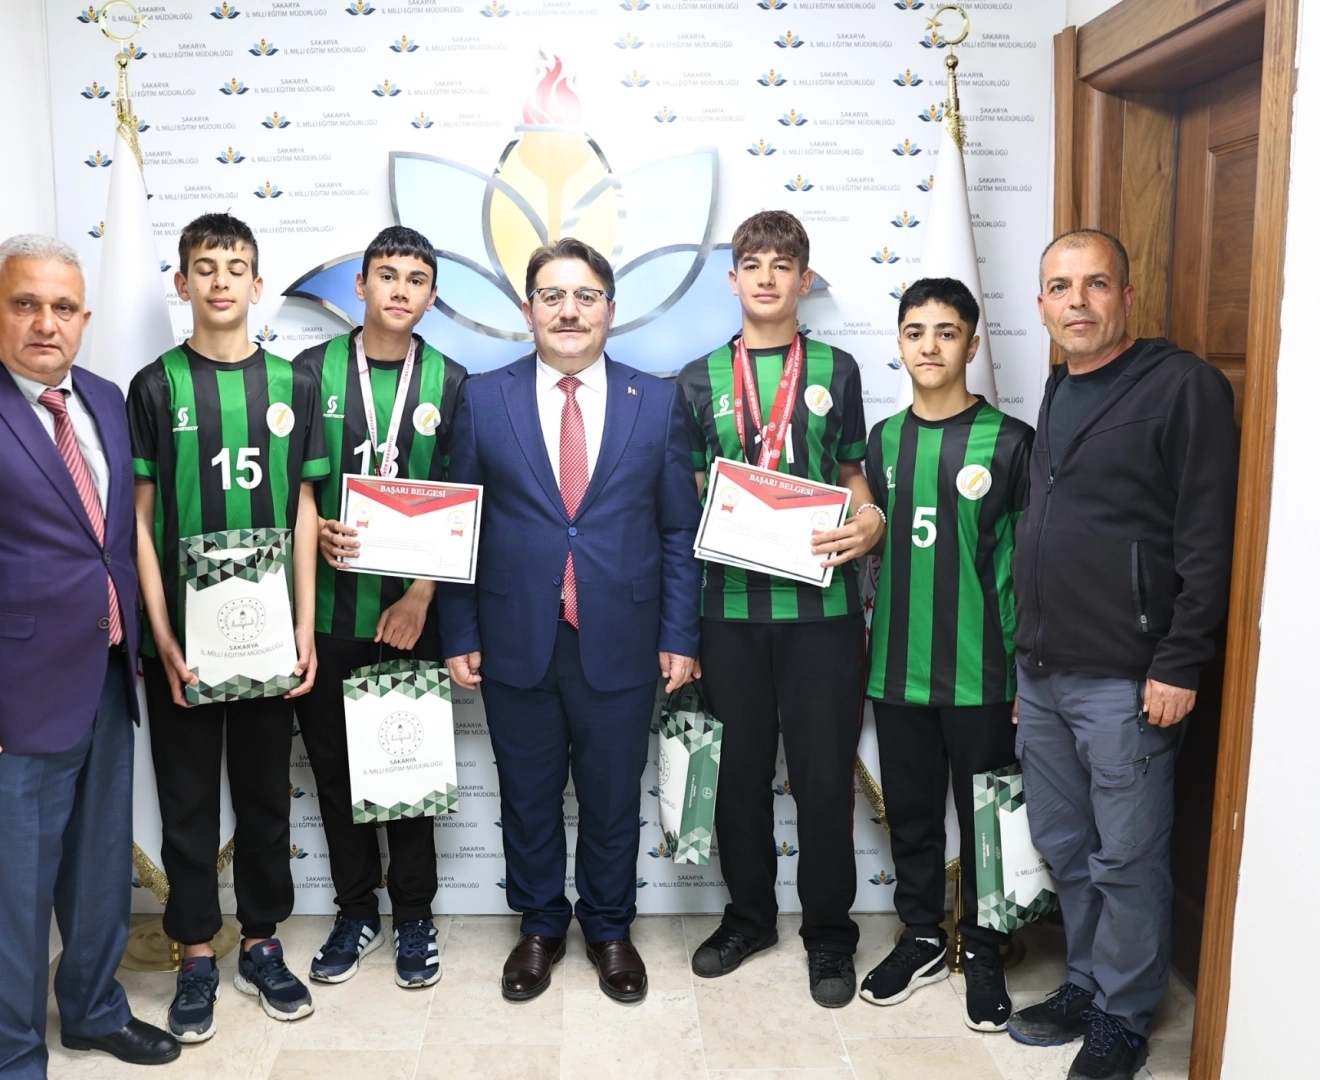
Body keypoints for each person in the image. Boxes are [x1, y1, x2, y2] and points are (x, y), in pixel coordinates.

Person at [0, 234, 179, 1078]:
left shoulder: (105, 399)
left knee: (97, 875)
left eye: (63, 308)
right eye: (25, 304)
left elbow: (107, 541)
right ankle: (9, 1062)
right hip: (4, 707)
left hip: (105, 681)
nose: (46, 323)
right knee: (5, 900)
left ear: (84, 318)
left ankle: (91, 1011)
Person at [437, 237, 700, 1005]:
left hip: (622, 638)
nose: (569, 310)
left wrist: (679, 634)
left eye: (585, 295)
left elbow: (677, 531)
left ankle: (610, 929)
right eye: (552, 295)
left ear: (610, 310)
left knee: (613, 798)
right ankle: (541, 926)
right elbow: (460, 526)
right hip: (515, 639)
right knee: (527, 797)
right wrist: (460, 632)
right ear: (529, 312)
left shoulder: (656, 401)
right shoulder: (484, 398)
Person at [1007, 230, 1238, 1080]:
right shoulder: (1060, 384)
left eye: (1096, 284)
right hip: (1044, 671)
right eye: (1060, 286)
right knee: (1066, 846)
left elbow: (1207, 536)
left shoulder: (1183, 386)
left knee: (1128, 858)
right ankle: (1087, 982)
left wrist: (1180, 660)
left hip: (1129, 680)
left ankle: (1124, 1015)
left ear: (1127, 297)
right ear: (1041, 305)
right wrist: (1027, 658)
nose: (1077, 301)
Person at [675, 209, 884, 1007]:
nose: (767, 277)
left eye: (782, 264)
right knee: (738, 780)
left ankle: (829, 935)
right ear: (733, 280)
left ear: (804, 279)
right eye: (753, 264)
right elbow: (689, 493)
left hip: (822, 615)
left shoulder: (837, 368)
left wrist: (871, 518)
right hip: (728, 612)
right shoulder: (697, 378)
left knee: (824, 782)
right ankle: (749, 918)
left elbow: (854, 476)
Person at [128, 213, 328, 1038]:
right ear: (182, 283)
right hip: (184, 645)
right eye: (204, 267)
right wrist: (163, 634)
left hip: (267, 640)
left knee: (263, 797)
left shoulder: (291, 385)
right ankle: (194, 954)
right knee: (186, 804)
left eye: (235, 266)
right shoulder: (154, 386)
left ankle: (261, 942)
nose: (220, 280)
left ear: (256, 283)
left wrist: (305, 625)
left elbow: (307, 507)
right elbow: (140, 520)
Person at [857, 277, 1033, 1032]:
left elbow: (1024, 566)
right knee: (914, 816)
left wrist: (1024, 670)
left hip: (983, 672)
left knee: (987, 818)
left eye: (946, 332)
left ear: (972, 343)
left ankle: (985, 948)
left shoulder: (1012, 441)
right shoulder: (882, 441)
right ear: (899, 343)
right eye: (914, 332)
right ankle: (923, 936)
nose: (929, 346)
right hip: (897, 668)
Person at [293, 226, 467, 988]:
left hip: (410, 617)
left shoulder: (453, 382)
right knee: (335, 772)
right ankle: (356, 909)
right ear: (360, 285)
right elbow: (296, 488)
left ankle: (415, 916)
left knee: (406, 769)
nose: (400, 290)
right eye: (387, 275)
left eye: (416, 279)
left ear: (432, 297)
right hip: (329, 613)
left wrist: (421, 595)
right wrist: (315, 527)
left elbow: (462, 501)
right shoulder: (310, 371)